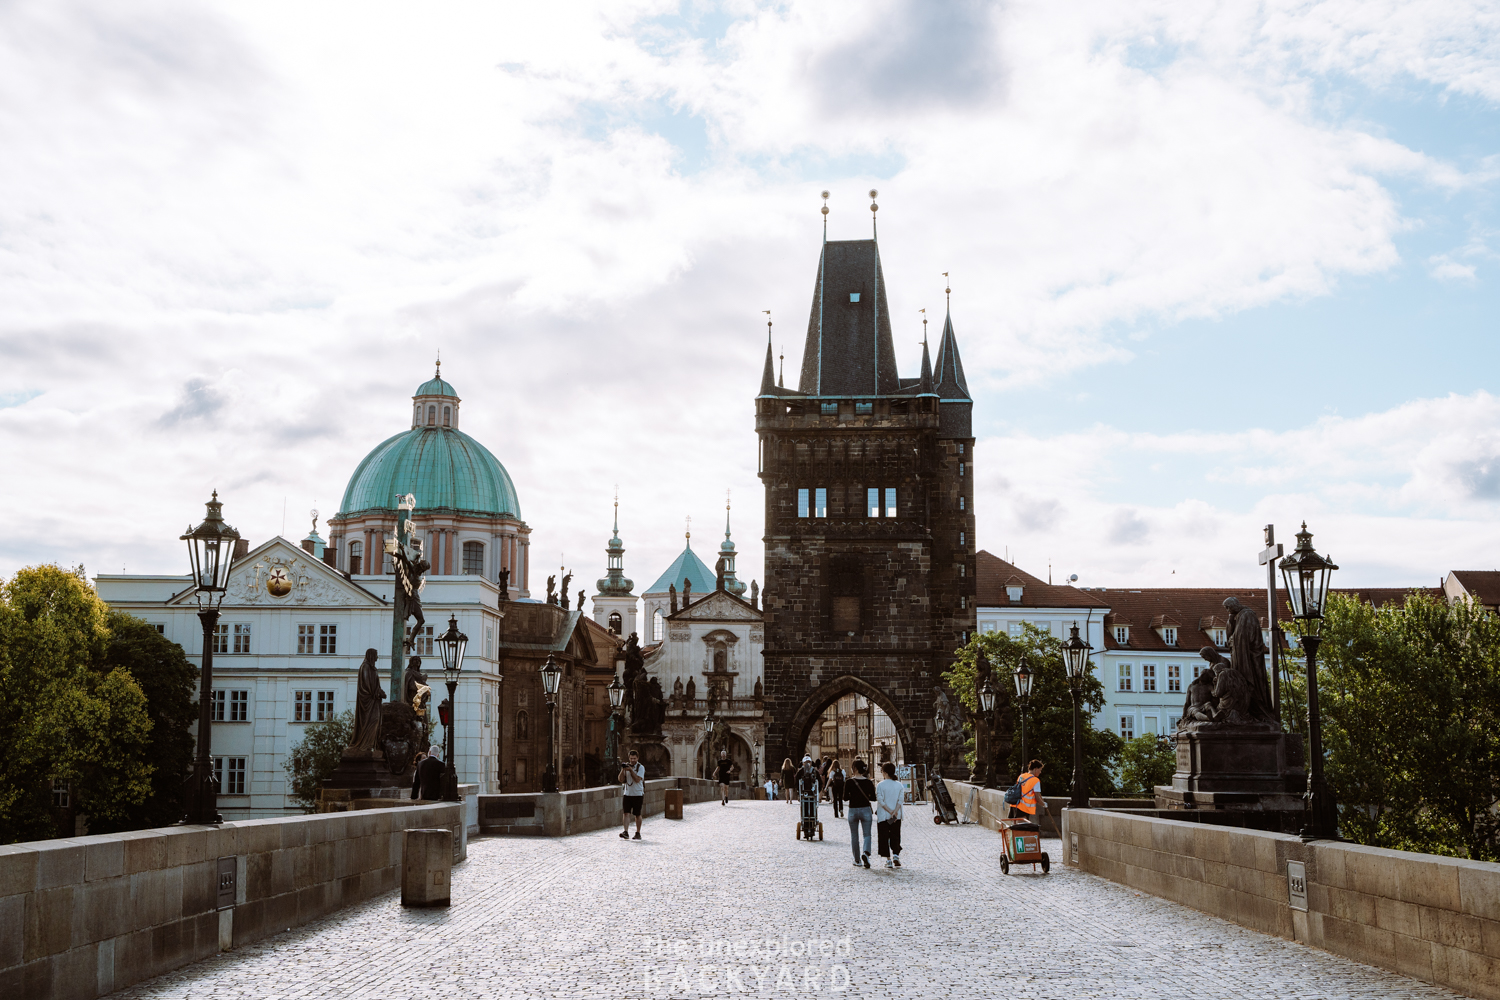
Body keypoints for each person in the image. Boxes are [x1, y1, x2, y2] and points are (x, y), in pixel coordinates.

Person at [843, 759, 876, 868]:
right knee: (867, 834)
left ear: (855, 769)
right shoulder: (868, 782)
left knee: (854, 835)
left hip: (853, 810)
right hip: (865, 809)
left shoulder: (849, 782)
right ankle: (865, 853)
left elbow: (845, 798)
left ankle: (857, 860)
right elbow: (874, 798)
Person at [875, 761, 905, 868]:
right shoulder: (899, 785)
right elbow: (900, 800)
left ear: (885, 773)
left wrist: (889, 811)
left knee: (884, 837)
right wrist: (895, 811)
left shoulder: (880, 785)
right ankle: (896, 855)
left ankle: (888, 860)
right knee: (895, 835)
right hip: (896, 816)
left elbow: (880, 800)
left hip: (884, 815)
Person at [1009, 759, 1049, 824]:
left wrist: (1043, 802)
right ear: (1036, 769)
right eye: (1040, 770)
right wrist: (1044, 804)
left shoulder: (1021, 776)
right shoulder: (1035, 781)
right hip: (1023, 808)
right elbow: (1037, 797)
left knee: (1015, 828)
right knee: (1022, 829)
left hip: (1014, 805)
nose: (1040, 772)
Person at [619, 749, 646, 839]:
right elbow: (620, 779)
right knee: (626, 813)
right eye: (631, 758)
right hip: (627, 793)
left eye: (634, 758)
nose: (632, 760)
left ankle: (638, 833)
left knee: (637, 814)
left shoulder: (640, 767)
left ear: (637, 758)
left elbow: (637, 779)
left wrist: (631, 770)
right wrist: (623, 770)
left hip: (638, 794)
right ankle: (626, 831)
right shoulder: (627, 766)